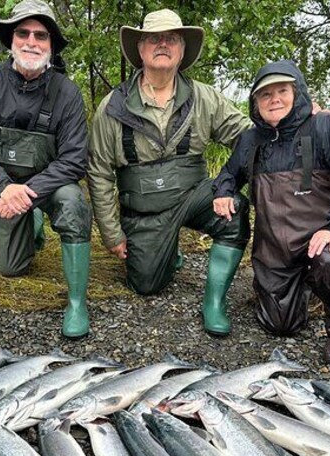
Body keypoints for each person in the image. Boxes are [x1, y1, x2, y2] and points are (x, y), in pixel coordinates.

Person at [88, 9, 252, 336]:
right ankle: (166, 249)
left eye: (171, 38)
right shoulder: (112, 106)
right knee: (146, 285)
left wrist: (298, 121)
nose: (162, 44)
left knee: (235, 210)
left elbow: (249, 138)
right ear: (140, 49)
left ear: (181, 50)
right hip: (143, 209)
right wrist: (111, 232)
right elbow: (100, 171)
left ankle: (215, 302)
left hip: (193, 197)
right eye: (154, 38)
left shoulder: (205, 97)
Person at [213, 60, 330, 363]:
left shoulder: (322, 126)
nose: (274, 99)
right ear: (255, 102)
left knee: (329, 261)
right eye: (265, 94)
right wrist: (223, 192)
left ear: (297, 93)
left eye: (282, 91)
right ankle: (301, 285)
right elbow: (227, 174)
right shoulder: (250, 140)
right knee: (280, 326)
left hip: (323, 234)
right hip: (276, 246)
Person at [0, 0, 91, 339]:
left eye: (41, 35)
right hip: (2, 187)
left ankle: (77, 301)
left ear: (50, 44)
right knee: (8, 268)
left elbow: (75, 158)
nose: (31, 41)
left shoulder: (68, 92)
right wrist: (5, 187)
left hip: (46, 189)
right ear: (11, 39)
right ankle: (28, 227)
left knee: (73, 202)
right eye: (23, 33)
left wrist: (27, 193)